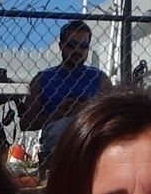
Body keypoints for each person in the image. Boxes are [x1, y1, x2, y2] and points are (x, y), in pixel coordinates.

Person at [24, 19, 106, 155]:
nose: (77, 50)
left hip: (90, 138)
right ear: (61, 45)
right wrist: (57, 114)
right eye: (71, 45)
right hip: (56, 142)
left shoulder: (100, 79)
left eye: (83, 46)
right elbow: (26, 123)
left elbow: (112, 116)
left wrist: (87, 111)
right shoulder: (43, 79)